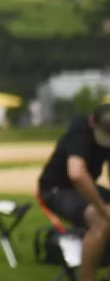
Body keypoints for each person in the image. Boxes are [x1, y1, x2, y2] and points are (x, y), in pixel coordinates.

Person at [39, 104, 110, 281]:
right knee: (101, 220)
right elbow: (76, 174)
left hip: (80, 188)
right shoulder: (81, 129)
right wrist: (102, 208)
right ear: (93, 122)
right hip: (57, 189)